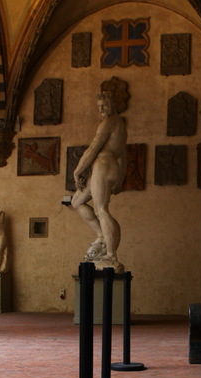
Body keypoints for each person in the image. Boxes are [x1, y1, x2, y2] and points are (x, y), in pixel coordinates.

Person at [71, 91, 127, 272]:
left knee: (101, 210)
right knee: (76, 202)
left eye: (105, 106)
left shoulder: (109, 122)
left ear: (113, 105)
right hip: (110, 167)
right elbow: (124, 155)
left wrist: (78, 170)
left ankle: (111, 255)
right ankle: (103, 235)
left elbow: (93, 149)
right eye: (99, 107)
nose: (101, 110)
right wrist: (120, 178)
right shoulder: (121, 125)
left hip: (103, 165)